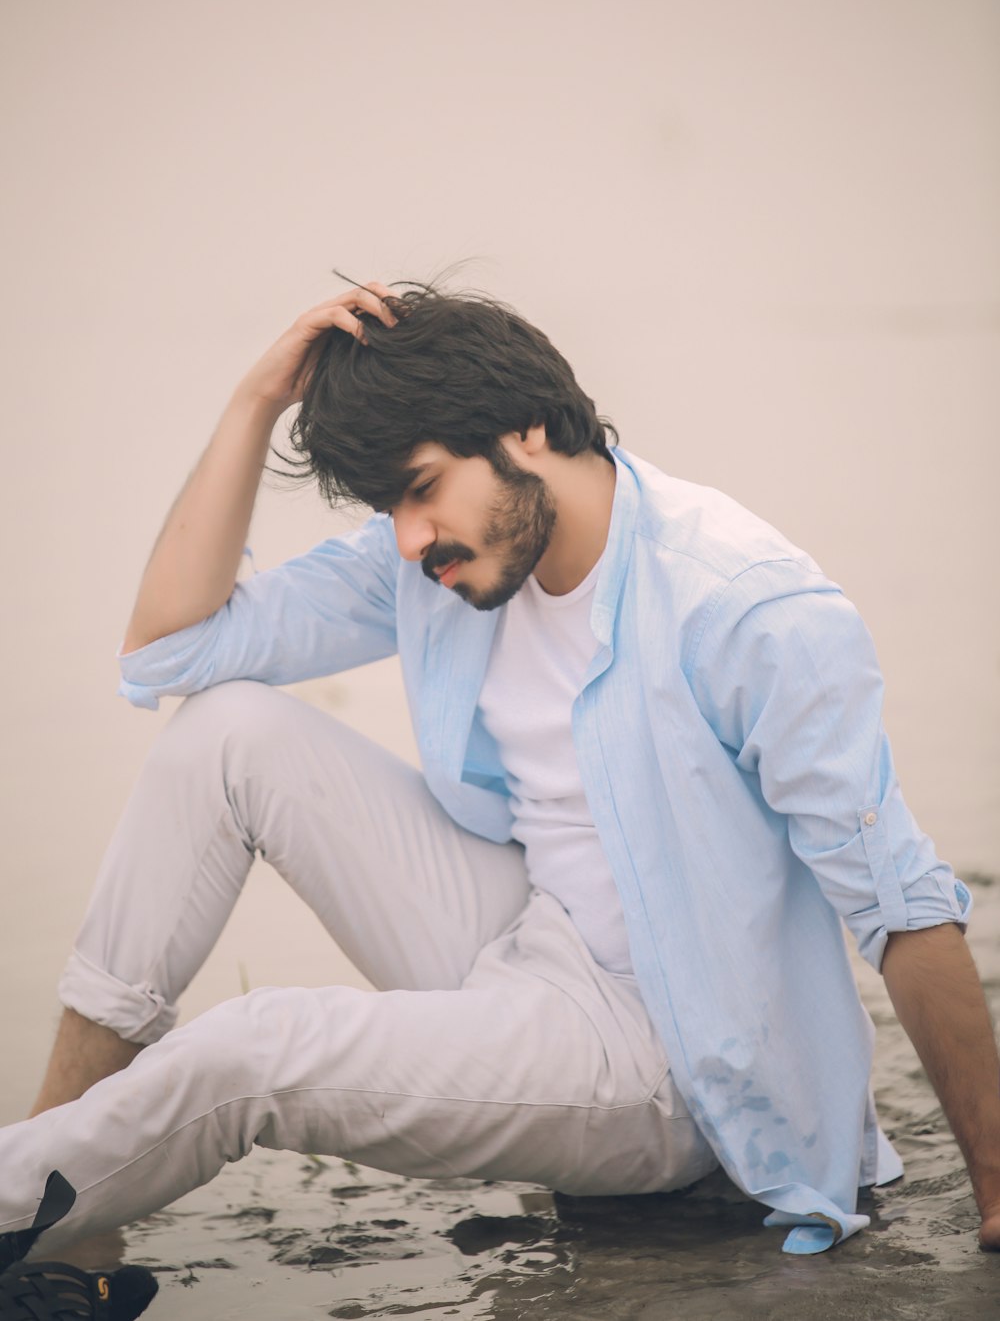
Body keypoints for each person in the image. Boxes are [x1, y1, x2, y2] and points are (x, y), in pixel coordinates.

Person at [2, 280, 998, 1272]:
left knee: (256, 1048)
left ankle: (22, 1200)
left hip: (673, 1063)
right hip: (527, 942)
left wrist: (995, 1192)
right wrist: (254, 403)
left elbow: (901, 910)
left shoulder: (740, 606)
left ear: (524, 432)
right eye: (391, 504)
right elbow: (167, 652)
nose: (406, 536)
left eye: (421, 487)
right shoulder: (447, 562)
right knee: (223, 734)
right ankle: (67, 1205)